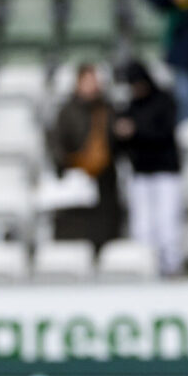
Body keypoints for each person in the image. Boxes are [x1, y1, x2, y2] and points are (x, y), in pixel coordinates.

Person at [114, 61, 184, 276]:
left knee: (167, 224)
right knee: (142, 227)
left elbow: (163, 133)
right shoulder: (129, 107)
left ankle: (171, 268)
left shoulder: (164, 101)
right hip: (140, 173)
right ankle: (145, 269)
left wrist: (135, 131)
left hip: (166, 172)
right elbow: (122, 143)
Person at [47, 63, 122, 250]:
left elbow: (116, 143)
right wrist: (65, 165)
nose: (93, 85)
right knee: (76, 230)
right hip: (76, 177)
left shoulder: (107, 109)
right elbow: (56, 142)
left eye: (94, 81)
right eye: (88, 81)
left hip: (104, 179)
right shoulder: (67, 111)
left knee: (105, 229)